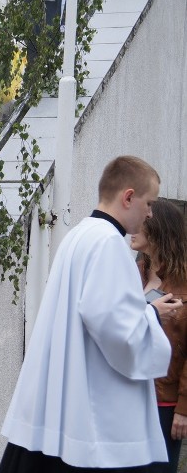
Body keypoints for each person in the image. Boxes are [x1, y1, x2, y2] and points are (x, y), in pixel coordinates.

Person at [0, 156, 183, 472]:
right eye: (149, 203)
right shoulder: (109, 244)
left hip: (63, 390)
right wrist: (151, 316)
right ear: (128, 197)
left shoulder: (80, 234)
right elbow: (114, 327)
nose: (150, 213)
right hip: (89, 398)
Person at [131, 201, 187, 473]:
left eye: (142, 220)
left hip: (163, 400)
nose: (133, 226)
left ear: (157, 228)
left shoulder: (183, 281)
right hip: (130, 395)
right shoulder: (135, 270)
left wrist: (184, 407)